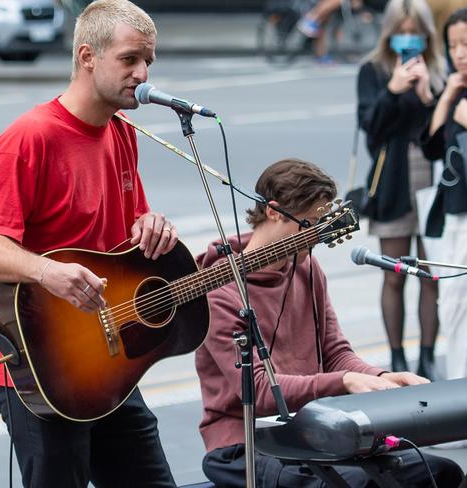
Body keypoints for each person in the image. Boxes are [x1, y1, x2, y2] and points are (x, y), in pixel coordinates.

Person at [0, 1, 178, 486]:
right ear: (87, 57)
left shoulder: (123, 133)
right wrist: (47, 271)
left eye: (148, 61)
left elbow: (128, 232)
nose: (143, 74)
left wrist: (153, 225)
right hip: (41, 364)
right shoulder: (29, 137)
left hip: (107, 358)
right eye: (130, 60)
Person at [195, 159, 464, 488]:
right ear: (275, 212)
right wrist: (345, 381)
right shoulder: (217, 292)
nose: (318, 237)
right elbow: (262, 392)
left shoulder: (308, 270)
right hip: (244, 445)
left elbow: (336, 353)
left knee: (437, 472)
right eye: (311, 224)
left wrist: (381, 378)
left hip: (312, 432)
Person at [357, 0, 446, 380]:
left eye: (416, 33)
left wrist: (427, 95)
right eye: (401, 32)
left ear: (426, 36)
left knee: (430, 274)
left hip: (431, 177)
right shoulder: (373, 70)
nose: (408, 41)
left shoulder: (441, 71)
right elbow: (371, 130)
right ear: (389, 34)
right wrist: (393, 90)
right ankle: (396, 356)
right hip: (392, 180)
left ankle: (427, 356)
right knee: (393, 273)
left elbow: (446, 139)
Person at [422, 7, 467, 382]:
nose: (459, 53)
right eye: (453, 45)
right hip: (455, 211)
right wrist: (446, 97)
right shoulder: (456, 90)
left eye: (466, 44)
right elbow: (433, 148)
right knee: (451, 304)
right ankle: (458, 393)